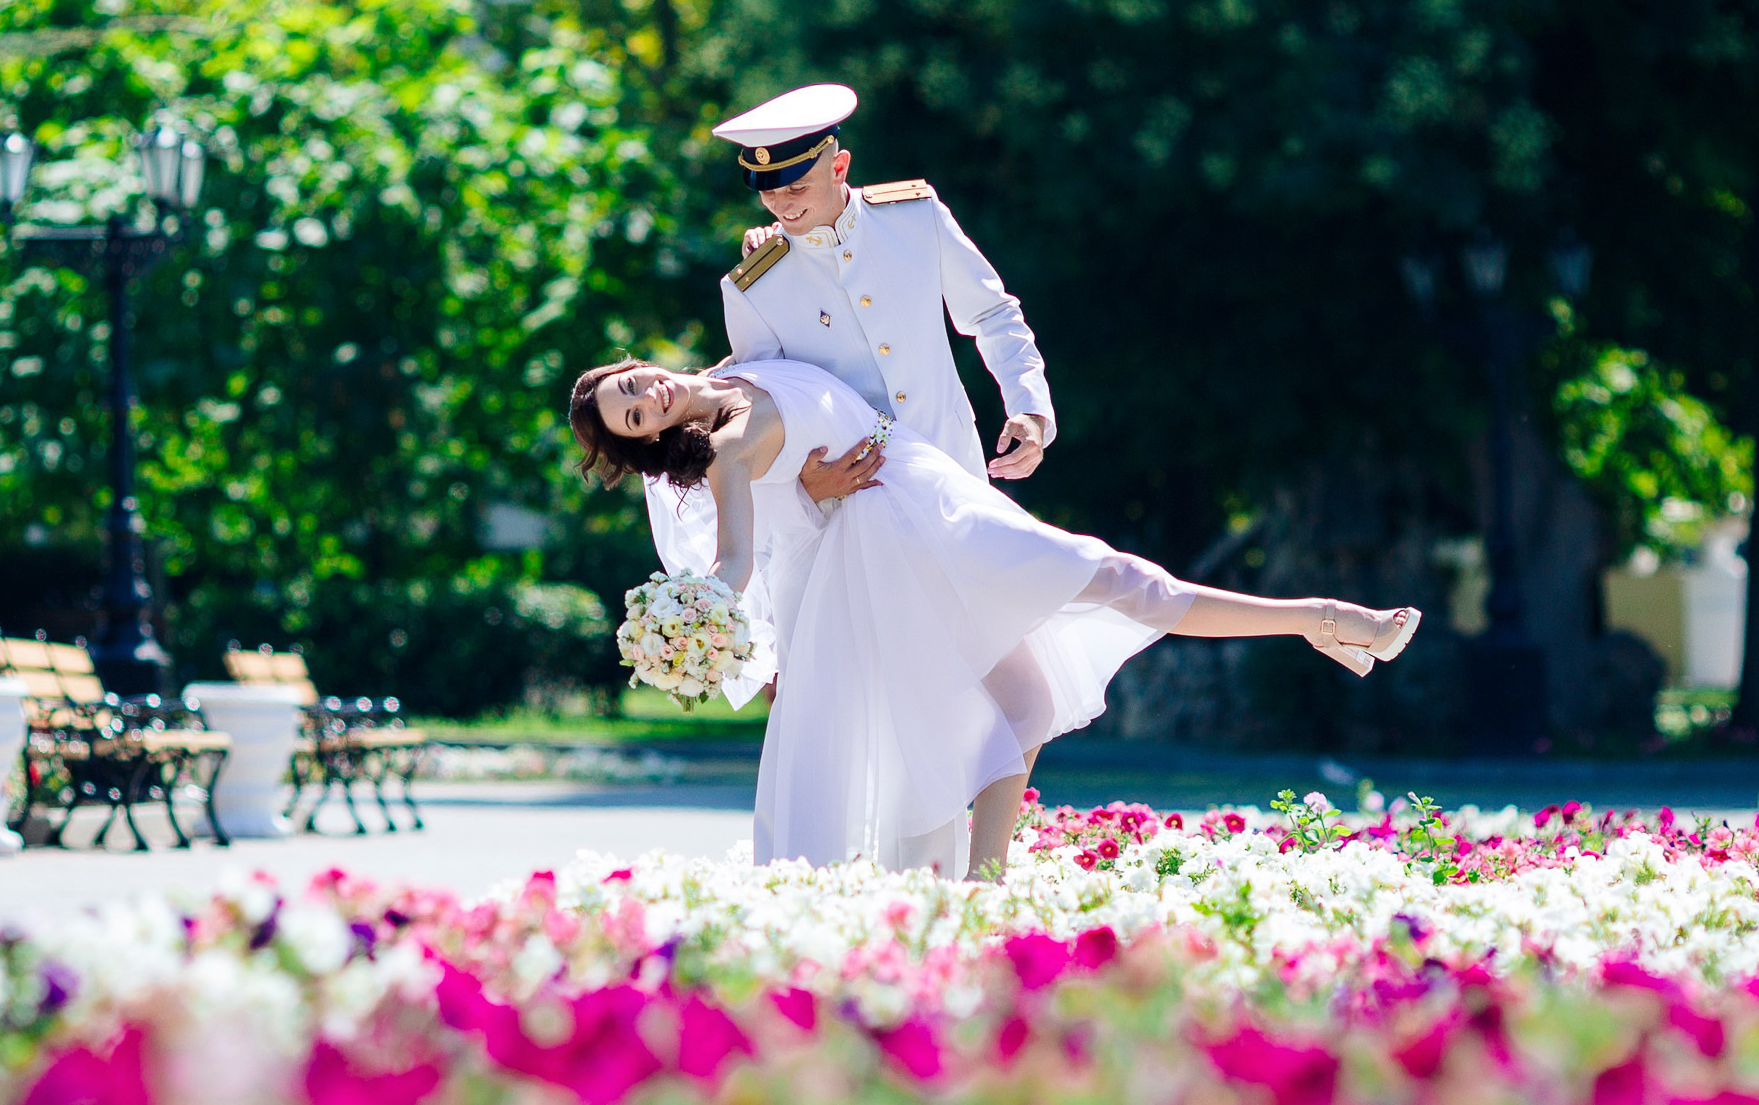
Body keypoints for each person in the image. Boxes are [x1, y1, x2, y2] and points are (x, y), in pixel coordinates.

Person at [571, 357, 1419, 880]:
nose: (645, 395)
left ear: (639, 363)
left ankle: (986, 879)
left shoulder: (738, 359)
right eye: (635, 415)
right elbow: (735, 560)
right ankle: (1326, 618)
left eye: (630, 385)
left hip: (934, 499)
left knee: (1035, 699)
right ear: (653, 441)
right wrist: (693, 618)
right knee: (1120, 581)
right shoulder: (722, 450)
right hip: (905, 542)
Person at [706, 83, 1054, 512]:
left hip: (956, 472)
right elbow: (766, 408)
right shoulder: (753, 285)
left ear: (838, 167)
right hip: (857, 503)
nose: (781, 205)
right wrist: (805, 485)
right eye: (768, 191)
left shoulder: (915, 214)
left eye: (796, 188)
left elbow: (993, 314)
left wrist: (1030, 407)